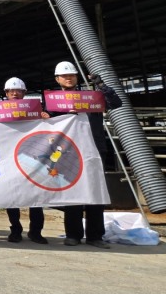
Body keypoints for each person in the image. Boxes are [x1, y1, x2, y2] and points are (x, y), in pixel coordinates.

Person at [48, 61, 122, 249]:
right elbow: (44, 118)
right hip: (68, 151)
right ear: (58, 79)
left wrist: (102, 85)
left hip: (95, 148)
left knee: (95, 192)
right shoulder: (54, 101)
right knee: (73, 191)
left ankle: (95, 236)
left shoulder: (91, 97)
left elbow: (115, 103)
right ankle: (73, 234)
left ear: (77, 77)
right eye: (64, 76)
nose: (69, 78)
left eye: (72, 75)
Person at [0, 77, 50, 244]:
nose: (15, 93)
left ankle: (36, 231)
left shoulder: (34, 110)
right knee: (13, 196)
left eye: (18, 91)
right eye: (11, 91)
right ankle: (15, 229)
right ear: (6, 93)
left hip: (32, 157)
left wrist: (46, 118)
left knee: (36, 196)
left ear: (24, 93)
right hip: (8, 156)